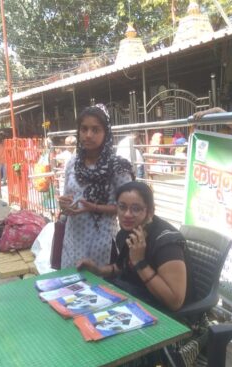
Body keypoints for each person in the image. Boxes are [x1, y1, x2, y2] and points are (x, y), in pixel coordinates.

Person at [77, 181, 190, 312]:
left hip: (167, 315)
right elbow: (121, 267)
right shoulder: (126, 233)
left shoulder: (167, 243)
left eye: (136, 209)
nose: (127, 214)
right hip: (136, 300)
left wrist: (140, 262)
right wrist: (98, 270)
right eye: (122, 207)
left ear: (150, 211)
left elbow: (175, 302)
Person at [58, 104, 134, 269]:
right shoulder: (72, 163)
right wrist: (63, 205)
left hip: (101, 243)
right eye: (84, 129)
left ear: (105, 133)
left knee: (98, 290)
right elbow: (66, 198)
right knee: (70, 288)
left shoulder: (117, 167)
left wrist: (94, 207)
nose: (88, 135)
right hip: (72, 239)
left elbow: (130, 207)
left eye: (95, 130)